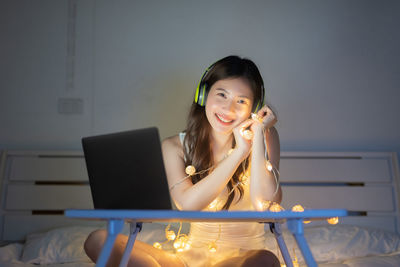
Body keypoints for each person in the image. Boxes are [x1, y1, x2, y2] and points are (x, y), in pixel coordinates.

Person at [84, 55, 281, 267]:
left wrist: (258, 134)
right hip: (186, 262)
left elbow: (268, 204)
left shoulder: (265, 137)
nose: (228, 109)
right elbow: (189, 205)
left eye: (241, 101)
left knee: (265, 260)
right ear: (203, 94)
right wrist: (238, 153)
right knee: (99, 240)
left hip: (242, 260)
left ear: (255, 107)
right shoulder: (174, 147)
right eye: (221, 95)